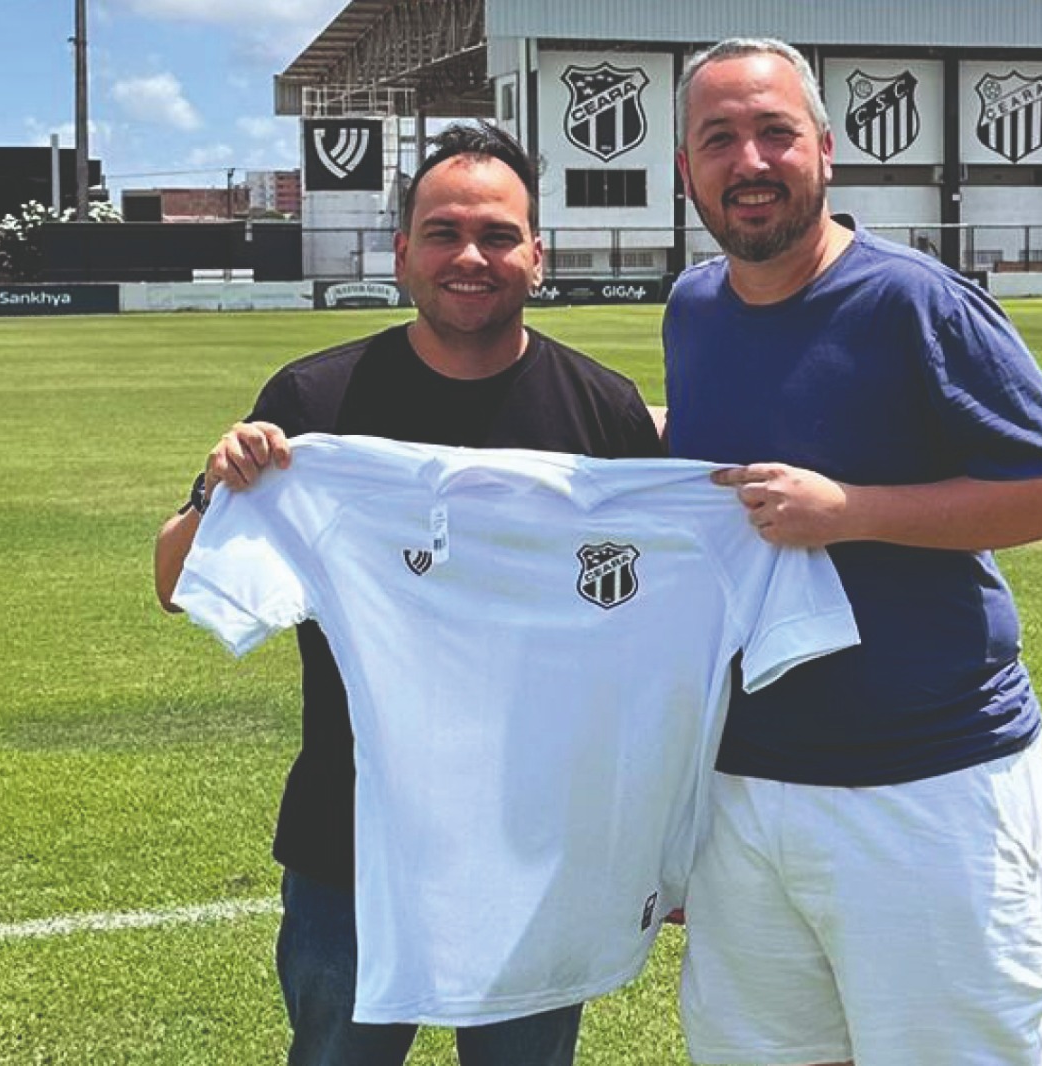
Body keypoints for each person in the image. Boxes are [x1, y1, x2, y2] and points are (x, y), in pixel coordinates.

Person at [154, 121, 662, 1066]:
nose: (471, 257)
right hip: (350, 840)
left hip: (535, 844)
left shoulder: (605, 411)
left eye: (500, 235)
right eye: (443, 232)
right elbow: (177, 583)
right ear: (401, 253)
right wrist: (219, 489)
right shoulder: (313, 407)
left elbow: (654, 636)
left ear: (538, 255)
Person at [664, 39, 1042, 1066]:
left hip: (925, 780)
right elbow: (719, 445)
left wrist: (847, 509)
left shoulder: (912, 298)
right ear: (685, 170)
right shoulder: (693, 306)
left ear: (823, 148)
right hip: (746, 780)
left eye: (774, 131)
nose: (749, 160)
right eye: (718, 138)